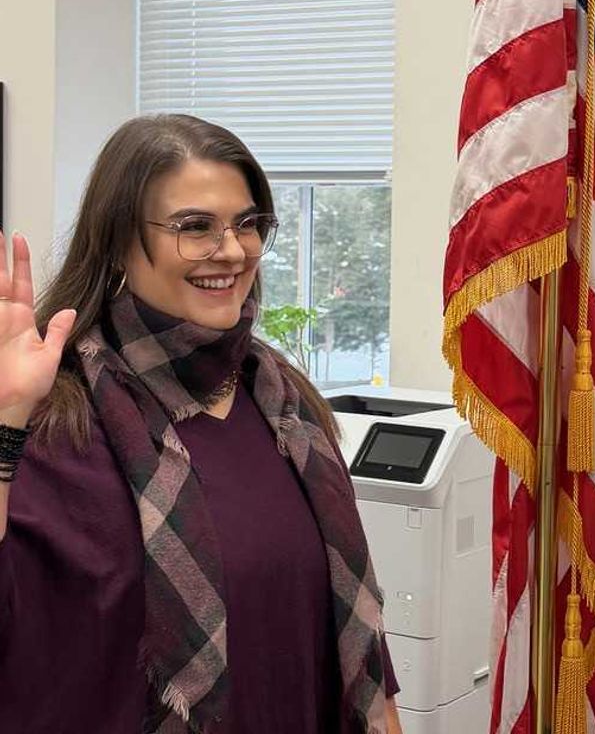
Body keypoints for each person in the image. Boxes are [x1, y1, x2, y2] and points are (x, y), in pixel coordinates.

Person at [0, 115, 404, 733]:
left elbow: (352, 639)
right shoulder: (57, 418)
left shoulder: (285, 403)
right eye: (195, 227)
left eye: (248, 224)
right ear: (116, 242)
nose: (234, 250)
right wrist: (5, 418)